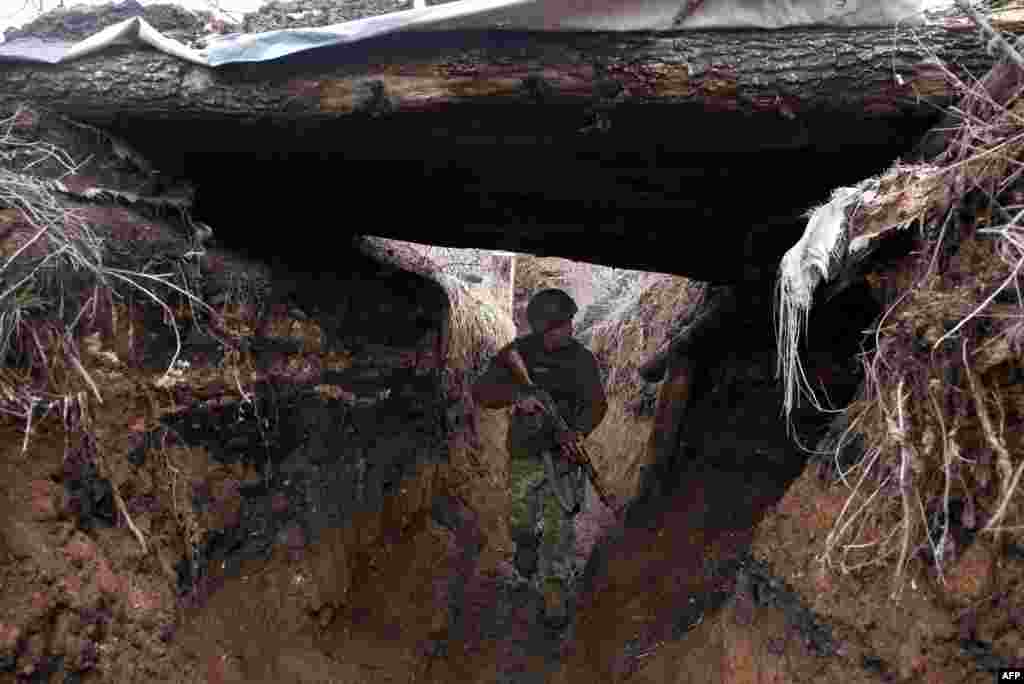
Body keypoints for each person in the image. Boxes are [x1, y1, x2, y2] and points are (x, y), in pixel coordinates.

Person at [472, 288, 607, 627]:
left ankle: (554, 593)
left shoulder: (582, 359)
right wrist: (518, 397)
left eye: (569, 323)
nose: (569, 330)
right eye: (560, 325)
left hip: (562, 457)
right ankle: (525, 548)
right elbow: (481, 392)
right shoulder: (518, 354)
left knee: (559, 528)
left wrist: (577, 431)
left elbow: (597, 404)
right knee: (521, 517)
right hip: (524, 453)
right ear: (542, 329)